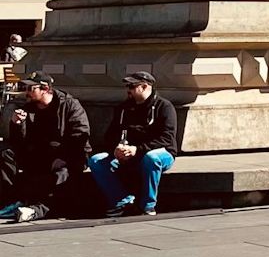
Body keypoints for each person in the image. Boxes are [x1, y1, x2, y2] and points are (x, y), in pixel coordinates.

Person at [0, 73, 91, 223]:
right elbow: (18, 142)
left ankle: (37, 209)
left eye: (30, 88)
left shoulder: (69, 105)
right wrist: (17, 124)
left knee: (61, 175)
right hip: (39, 154)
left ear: (45, 89)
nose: (26, 92)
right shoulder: (29, 107)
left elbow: (80, 135)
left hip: (67, 155)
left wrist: (64, 157)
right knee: (5, 153)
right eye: (25, 87)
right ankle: (10, 201)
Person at [87, 73, 178, 219]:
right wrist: (116, 149)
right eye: (127, 86)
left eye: (131, 86)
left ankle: (148, 206)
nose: (128, 90)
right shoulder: (123, 108)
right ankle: (122, 201)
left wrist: (138, 149)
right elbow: (110, 136)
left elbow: (166, 138)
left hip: (160, 153)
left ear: (145, 86)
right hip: (129, 152)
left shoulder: (164, 107)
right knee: (96, 160)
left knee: (152, 158)